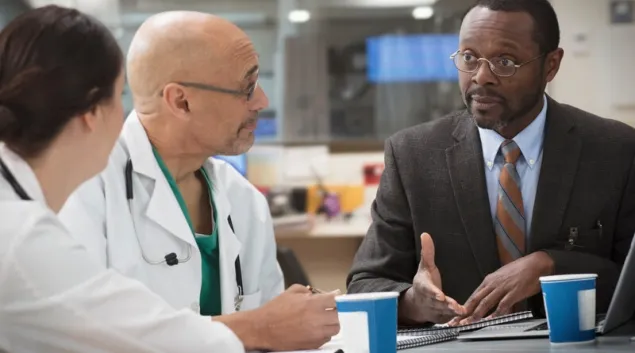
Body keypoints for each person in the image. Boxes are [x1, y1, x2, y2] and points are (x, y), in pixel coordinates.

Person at [58, 10, 339, 351]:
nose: (262, 101)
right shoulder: (81, 188)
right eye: (247, 88)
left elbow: (275, 339)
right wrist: (256, 326)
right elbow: (75, 335)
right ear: (181, 101)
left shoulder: (243, 201)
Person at [347, 0, 635, 326]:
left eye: (505, 61)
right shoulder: (412, 155)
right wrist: (413, 302)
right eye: (469, 58)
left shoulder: (615, 151)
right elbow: (363, 286)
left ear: (551, 65)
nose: (481, 77)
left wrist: (552, 266)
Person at [0, 5, 244, 352]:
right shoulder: (19, 236)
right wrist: (252, 329)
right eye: (120, 97)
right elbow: (160, 340)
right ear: (92, 113)